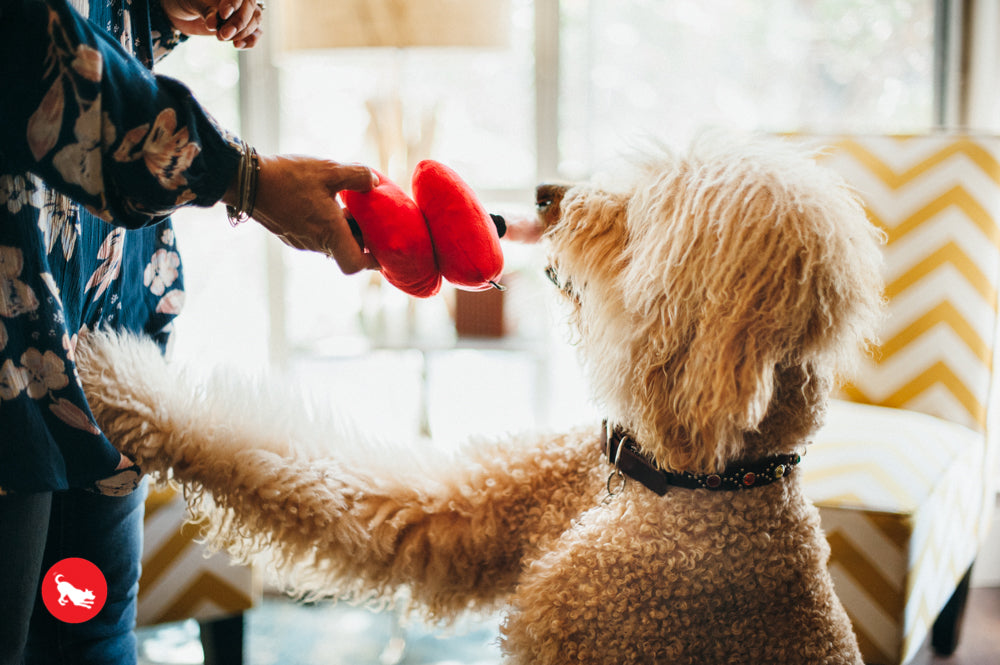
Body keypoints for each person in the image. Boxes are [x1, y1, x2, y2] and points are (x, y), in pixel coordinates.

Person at [0, 0, 380, 662]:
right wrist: (244, 179)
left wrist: (161, 10)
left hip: (105, 340)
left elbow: (95, 31)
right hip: (14, 350)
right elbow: (31, 50)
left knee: (88, 631)